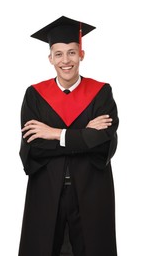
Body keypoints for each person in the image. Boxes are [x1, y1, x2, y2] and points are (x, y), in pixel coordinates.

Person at [18, 16, 119, 256]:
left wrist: (55, 134)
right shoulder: (34, 95)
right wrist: (83, 137)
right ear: (50, 58)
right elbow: (34, 147)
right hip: (46, 189)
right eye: (59, 54)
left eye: (72, 53)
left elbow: (104, 141)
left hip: (92, 190)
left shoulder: (101, 92)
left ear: (81, 55)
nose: (66, 60)